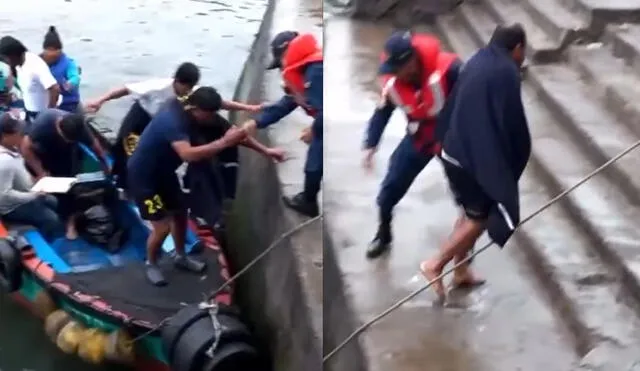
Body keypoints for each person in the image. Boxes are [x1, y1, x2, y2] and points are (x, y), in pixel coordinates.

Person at [420, 24, 531, 302]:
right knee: (479, 218)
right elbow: (511, 123)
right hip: (465, 156)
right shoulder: (506, 72)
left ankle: (461, 271)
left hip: (451, 147)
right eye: (523, 50)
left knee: (469, 211)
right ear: (517, 48)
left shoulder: (479, 59)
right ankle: (436, 264)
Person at [128, 86, 279, 286]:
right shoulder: (172, 121)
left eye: (213, 114)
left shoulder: (203, 113)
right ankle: (152, 263)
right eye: (208, 115)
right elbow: (187, 154)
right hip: (144, 178)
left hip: (165, 173)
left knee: (181, 213)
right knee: (162, 226)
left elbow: (235, 134)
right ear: (194, 109)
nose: (211, 119)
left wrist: (266, 151)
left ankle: (180, 256)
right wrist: (223, 143)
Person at [362, 31, 464, 259]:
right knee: (389, 189)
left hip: (452, 139)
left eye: (398, 69)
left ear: (411, 62)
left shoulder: (452, 69)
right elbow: (382, 111)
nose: (395, 75)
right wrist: (371, 143)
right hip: (419, 138)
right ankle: (383, 235)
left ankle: (463, 253)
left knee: (468, 200)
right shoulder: (393, 82)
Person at [84, 62, 263, 189]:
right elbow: (124, 89)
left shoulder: (191, 92)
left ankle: (147, 186)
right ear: (176, 80)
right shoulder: (157, 86)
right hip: (141, 118)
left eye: (191, 87)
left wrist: (247, 107)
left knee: (153, 158)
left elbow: (219, 103)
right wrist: (101, 100)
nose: (187, 91)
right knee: (126, 152)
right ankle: (121, 183)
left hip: (160, 123)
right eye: (185, 86)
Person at [243, 31, 323, 217]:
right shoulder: (304, 71)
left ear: (288, 49)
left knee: (314, 164)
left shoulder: (315, 71)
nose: (281, 69)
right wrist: (257, 122)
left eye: (280, 62)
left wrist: (314, 128)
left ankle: (308, 202)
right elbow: (288, 102)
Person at [0, 113, 64, 240]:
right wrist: (33, 196)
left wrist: (35, 180)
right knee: (52, 221)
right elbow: (4, 195)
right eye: (18, 132)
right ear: (5, 136)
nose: (23, 133)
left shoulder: (13, 148)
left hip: (26, 191)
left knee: (54, 201)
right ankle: (47, 243)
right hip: (11, 207)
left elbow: (19, 171)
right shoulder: (4, 161)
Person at [20, 108, 110, 180]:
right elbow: (25, 147)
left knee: (71, 175)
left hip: (67, 152)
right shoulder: (42, 125)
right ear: (58, 124)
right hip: (45, 148)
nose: (67, 140)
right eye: (65, 138)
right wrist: (41, 172)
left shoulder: (81, 128)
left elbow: (96, 148)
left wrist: (105, 166)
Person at [0, 36, 60, 123]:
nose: (6, 62)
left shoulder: (35, 64)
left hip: (41, 114)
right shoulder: (18, 65)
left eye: (6, 59)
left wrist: (48, 114)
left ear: (13, 55)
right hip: (28, 111)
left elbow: (55, 88)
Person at [41, 26, 82, 113]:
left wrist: (69, 83)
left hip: (67, 104)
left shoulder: (68, 63)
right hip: (44, 103)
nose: (52, 54)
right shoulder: (37, 62)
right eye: (49, 50)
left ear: (60, 50)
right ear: (44, 50)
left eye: (55, 50)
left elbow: (75, 77)